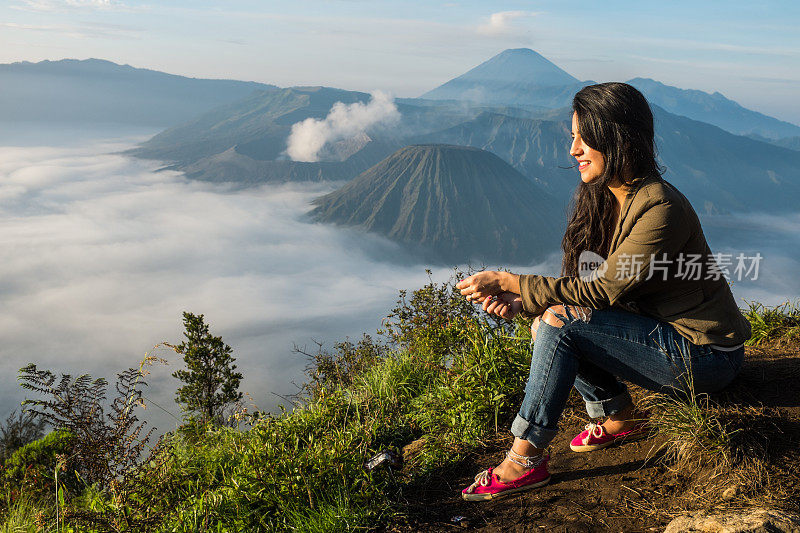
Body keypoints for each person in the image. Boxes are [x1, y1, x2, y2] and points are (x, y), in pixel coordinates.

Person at [455, 82, 751, 502]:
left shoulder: (660, 208)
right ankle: (618, 415)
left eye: (582, 136)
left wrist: (511, 282)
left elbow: (606, 287)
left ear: (617, 136)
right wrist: (526, 305)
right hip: (664, 333)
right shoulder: (606, 198)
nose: (573, 149)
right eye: (571, 137)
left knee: (558, 321)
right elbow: (590, 291)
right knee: (548, 322)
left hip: (707, 356)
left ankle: (524, 460)